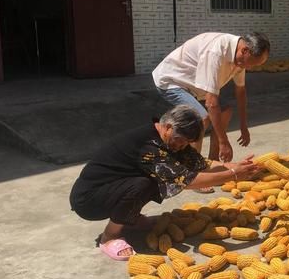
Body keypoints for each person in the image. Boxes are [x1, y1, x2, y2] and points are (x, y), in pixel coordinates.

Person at [69, 105, 261, 260]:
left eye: (186, 143)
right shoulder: (150, 147)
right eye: (180, 140)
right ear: (168, 127)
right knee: (144, 184)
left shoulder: (171, 140)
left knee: (150, 181)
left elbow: (201, 164)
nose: (181, 146)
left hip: (112, 188)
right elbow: (188, 180)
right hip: (89, 200)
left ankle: (129, 218)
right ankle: (109, 237)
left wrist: (235, 165)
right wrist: (233, 174)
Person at [153, 32, 270, 165]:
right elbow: (211, 103)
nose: (249, 67)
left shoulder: (240, 58)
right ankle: (192, 166)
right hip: (173, 80)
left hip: (195, 85)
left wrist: (243, 126)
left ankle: (212, 161)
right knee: (201, 118)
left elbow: (241, 91)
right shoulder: (216, 52)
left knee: (225, 110)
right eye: (251, 64)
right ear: (244, 50)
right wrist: (223, 142)